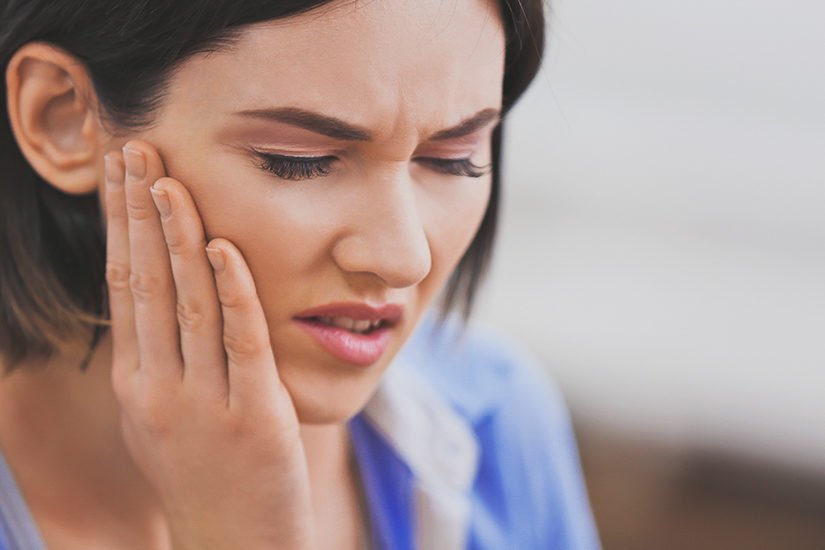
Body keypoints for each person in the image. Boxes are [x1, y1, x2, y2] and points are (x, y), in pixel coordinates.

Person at [0, 0, 601, 548]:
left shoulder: (499, 424)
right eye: (300, 162)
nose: (403, 257)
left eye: (453, 161)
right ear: (62, 116)